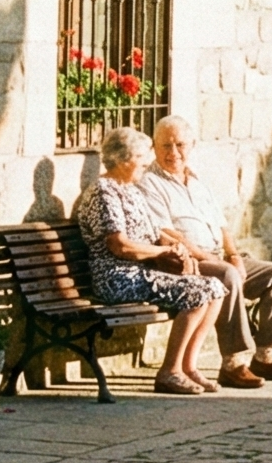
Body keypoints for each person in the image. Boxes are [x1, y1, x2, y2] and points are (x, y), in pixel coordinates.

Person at [144, 115, 272, 388]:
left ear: (191, 145)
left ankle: (266, 356)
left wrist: (234, 255)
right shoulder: (150, 183)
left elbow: (221, 226)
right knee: (227, 276)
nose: (173, 153)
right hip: (186, 263)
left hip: (219, 256)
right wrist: (215, 260)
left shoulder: (196, 180)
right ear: (154, 147)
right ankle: (233, 362)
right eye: (165, 145)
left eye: (180, 144)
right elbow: (168, 236)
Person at [72, 126, 225, 395]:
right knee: (198, 292)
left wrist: (176, 248)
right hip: (116, 277)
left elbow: (155, 233)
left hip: (138, 273)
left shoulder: (131, 190)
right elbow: (120, 246)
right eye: (142, 158)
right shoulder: (103, 192)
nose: (146, 163)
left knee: (214, 288)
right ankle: (169, 372)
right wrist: (162, 253)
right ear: (122, 159)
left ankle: (188, 367)